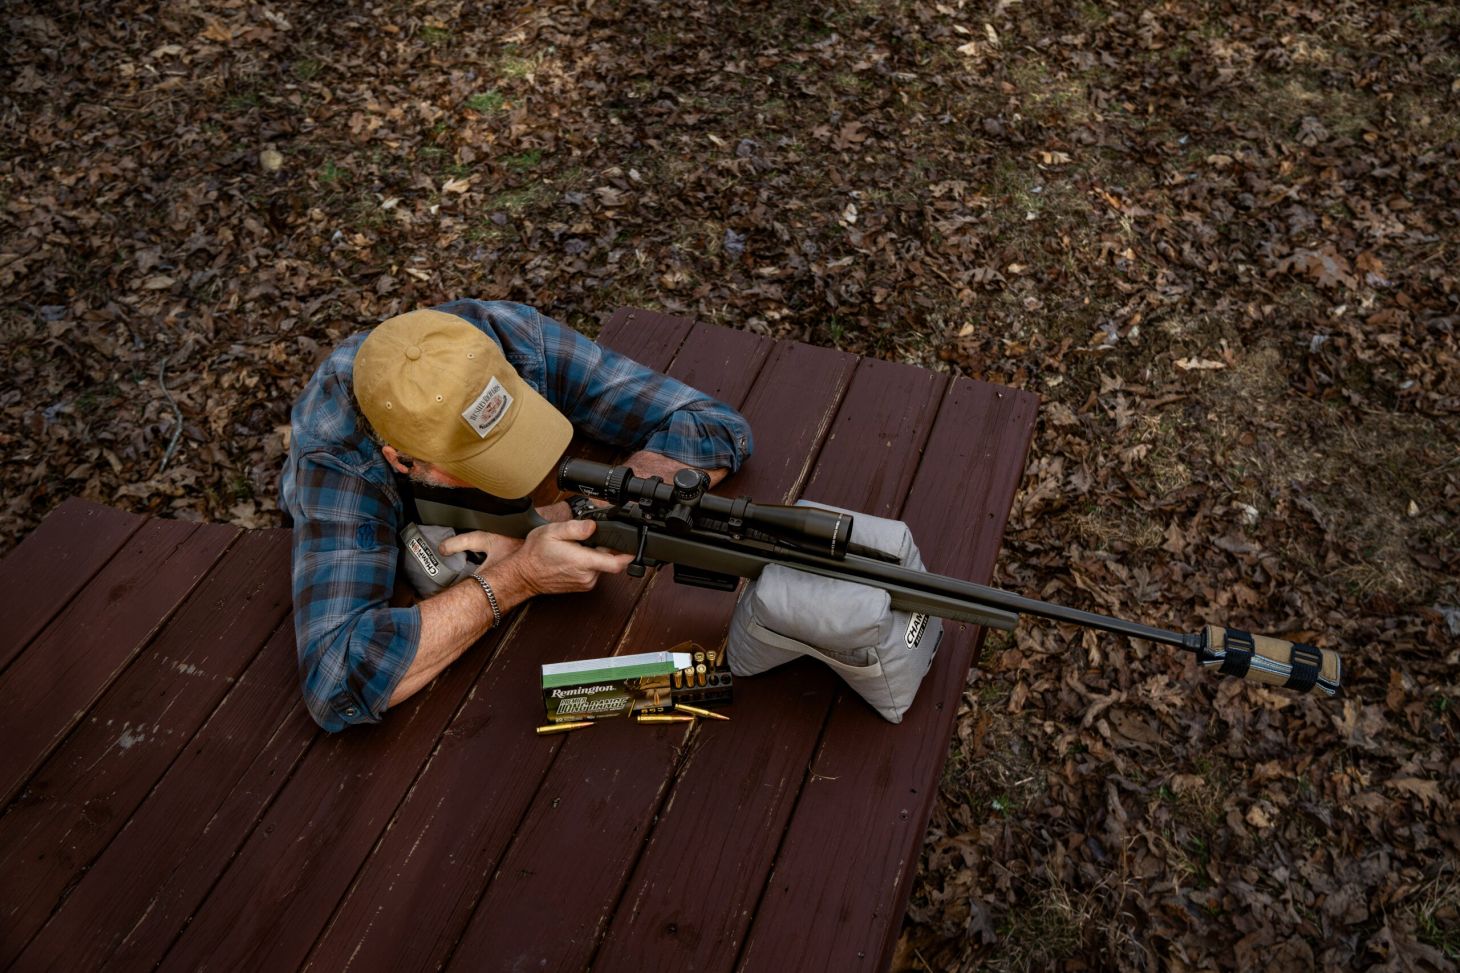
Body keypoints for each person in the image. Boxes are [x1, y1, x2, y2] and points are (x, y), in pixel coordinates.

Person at [280, 300, 752, 732]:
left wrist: (569, 513)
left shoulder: (501, 339)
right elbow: (335, 680)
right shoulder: (336, 461)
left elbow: (712, 428)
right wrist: (518, 578)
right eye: (480, 463)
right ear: (402, 460)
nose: (521, 472)